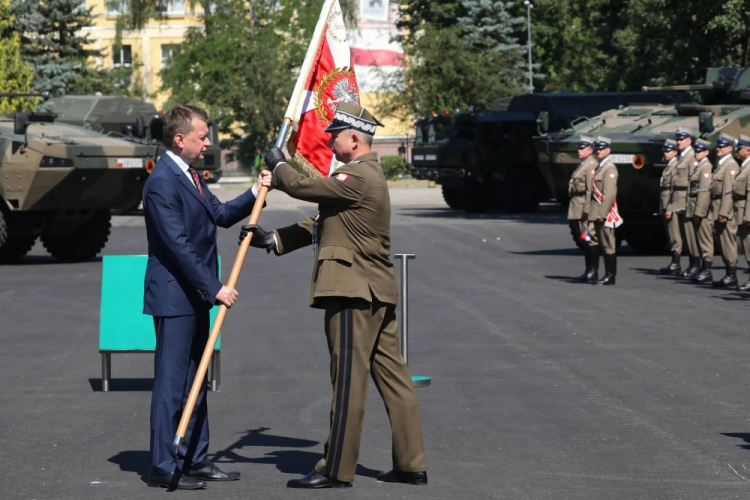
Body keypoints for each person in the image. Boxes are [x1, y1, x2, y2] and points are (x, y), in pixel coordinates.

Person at [241, 102, 428, 489]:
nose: (329, 142)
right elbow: (322, 220)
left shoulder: (358, 176)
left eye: (335, 136)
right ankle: (411, 464)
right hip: (374, 292)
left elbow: (310, 189)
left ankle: (336, 469)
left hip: (352, 292)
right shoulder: (360, 179)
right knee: (394, 379)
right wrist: (276, 239)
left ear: (354, 139)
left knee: (347, 382)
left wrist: (279, 167)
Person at [141, 104, 271, 490]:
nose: (208, 142)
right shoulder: (162, 181)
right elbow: (177, 245)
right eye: (202, 136)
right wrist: (214, 287)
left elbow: (223, 214)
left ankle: (195, 458)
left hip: (194, 296)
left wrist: (256, 189)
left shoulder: (191, 176)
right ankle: (162, 464)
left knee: (197, 378)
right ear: (179, 139)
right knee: (171, 383)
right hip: (175, 296)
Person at [587, 136, 620, 286]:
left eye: (601, 148)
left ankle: (610, 275)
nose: (598, 151)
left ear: (608, 150)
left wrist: (602, 213)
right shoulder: (599, 167)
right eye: (597, 149)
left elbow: (609, 194)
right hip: (595, 212)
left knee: (608, 244)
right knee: (592, 240)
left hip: (603, 213)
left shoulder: (610, 169)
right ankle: (593, 271)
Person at [671, 128, 700, 278]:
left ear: (690, 140)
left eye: (682, 139)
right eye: (677, 139)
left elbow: (693, 181)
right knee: (682, 233)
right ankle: (691, 264)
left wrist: (690, 202)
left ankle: (695, 264)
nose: (678, 142)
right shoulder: (682, 157)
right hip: (678, 199)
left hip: (686, 200)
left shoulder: (691, 157)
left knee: (690, 234)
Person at [711, 134, 739, 288]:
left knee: (728, 242)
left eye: (722, 146)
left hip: (724, 212)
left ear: (730, 148)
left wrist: (724, 212)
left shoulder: (730, 166)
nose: (719, 148)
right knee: (722, 243)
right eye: (718, 146)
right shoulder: (722, 165)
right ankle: (729, 273)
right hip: (717, 209)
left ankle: (731, 274)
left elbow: (728, 192)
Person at [568, 136, 596, 282]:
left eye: (582, 148)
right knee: (584, 240)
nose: (578, 150)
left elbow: (591, 190)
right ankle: (588, 270)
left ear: (590, 150)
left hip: (583, 207)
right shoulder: (583, 164)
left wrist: (587, 210)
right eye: (578, 147)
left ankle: (592, 271)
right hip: (577, 206)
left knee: (589, 239)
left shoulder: (590, 165)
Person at [686, 138, 713, 283]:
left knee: (704, 240)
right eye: (695, 150)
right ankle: (703, 268)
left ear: (706, 152)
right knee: (698, 239)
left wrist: (699, 211)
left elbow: (703, 191)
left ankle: (707, 270)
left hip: (700, 209)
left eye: (700, 151)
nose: (696, 153)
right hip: (694, 207)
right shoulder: (699, 166)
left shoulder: (706, 168)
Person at [659, 139, 683, 275]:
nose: (665, 153)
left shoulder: (675, 166)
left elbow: (674, 189)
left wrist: (670, 207)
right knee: (670, 233)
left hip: (671, 204)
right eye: (664, 151)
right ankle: (674, 262)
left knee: (675, 234)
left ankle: (676, 263)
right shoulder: (669, 166)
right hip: (666, 202)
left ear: (675, 152)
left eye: (668, 151)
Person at [732, 135, 750, 291]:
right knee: (746, 246)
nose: (737, 151)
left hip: (747, 213)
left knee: (749, 246)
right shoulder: (744, 166)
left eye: (739, 149)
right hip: (741, 211)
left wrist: (748, 216)